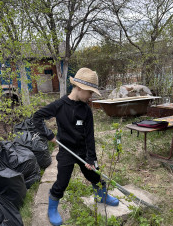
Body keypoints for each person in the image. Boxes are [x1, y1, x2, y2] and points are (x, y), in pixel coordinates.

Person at [33, 67, 119, 226]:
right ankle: (52, 208)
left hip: (83, 150)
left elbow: (90, 136)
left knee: (95, 175)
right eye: (90, 92)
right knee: (62, 181)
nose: (91, 96)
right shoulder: (59, 105)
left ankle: (102, 196)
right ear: (80, 88)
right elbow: (37, 117)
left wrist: (91, 159)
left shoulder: (86, 110)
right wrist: (50, 135)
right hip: (66, 150)